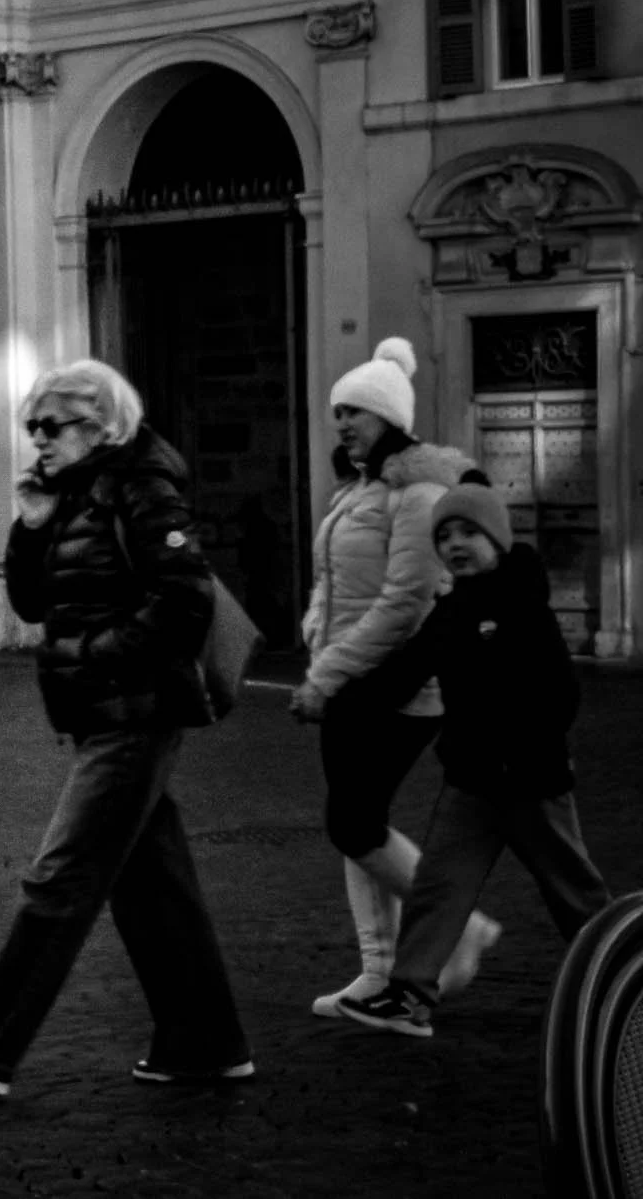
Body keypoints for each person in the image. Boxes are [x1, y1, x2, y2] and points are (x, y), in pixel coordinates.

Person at [0, 360, 250, 1097]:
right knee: (153, 885)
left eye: (50, 426)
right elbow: (30, 603)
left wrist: (95, 656)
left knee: (61, 876)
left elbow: (184, 598)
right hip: (106, 711)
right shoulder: (79, 493)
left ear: (100, 425)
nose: (37, 440)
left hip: (134, 709)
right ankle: (204, 1041)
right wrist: (30, 526)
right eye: (31, 427)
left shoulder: (142, 487)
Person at [333, 482, 611, 1037]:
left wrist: (522, 751)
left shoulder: (523, 606)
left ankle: (624, 973)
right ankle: (409, 995)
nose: (456, 544)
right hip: (471, 780)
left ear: (497, 540)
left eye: (468, 532)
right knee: (440, 884)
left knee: (573, 890)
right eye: (445, 536)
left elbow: (562, 696)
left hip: (529, 782)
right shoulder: (454, 610)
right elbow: (405, 672)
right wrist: (339, 698)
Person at [289, 338, 496, 1018]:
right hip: (349, 679)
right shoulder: (361, 489)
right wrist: (314, 629)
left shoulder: (416, 491)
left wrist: (329, 667)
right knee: (358, 820)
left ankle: (456, 928)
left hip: (397, 687)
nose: (343, 422)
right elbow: (332, 578)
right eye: (338, 411)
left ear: (391, 416)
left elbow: (405, 600)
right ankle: (379, 967)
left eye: (357, 411)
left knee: (354, 821)